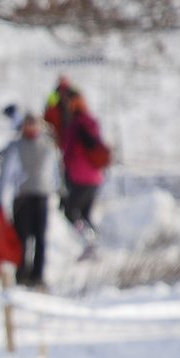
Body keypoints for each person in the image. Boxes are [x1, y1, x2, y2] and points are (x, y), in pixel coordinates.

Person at [0, 112, 61, 287]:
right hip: (22, 197)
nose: (31, 127)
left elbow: (55, 172)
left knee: (40, 238)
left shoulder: (47, 146)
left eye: (34, 123)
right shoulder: (15, 147)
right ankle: (22, 274)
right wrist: (0, 197)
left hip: (41, 195)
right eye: (28, 123)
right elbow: (7, 174)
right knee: (21, 238)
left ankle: (37, 275)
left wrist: (60, 191)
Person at [56, 90, 108, 260]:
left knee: (70, 212)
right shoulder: (92, 123)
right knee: (85, 213)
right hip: (95, 177)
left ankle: (90, 243)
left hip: (79, 176)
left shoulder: (75, 125)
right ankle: (94, 244)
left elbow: (68, 152)